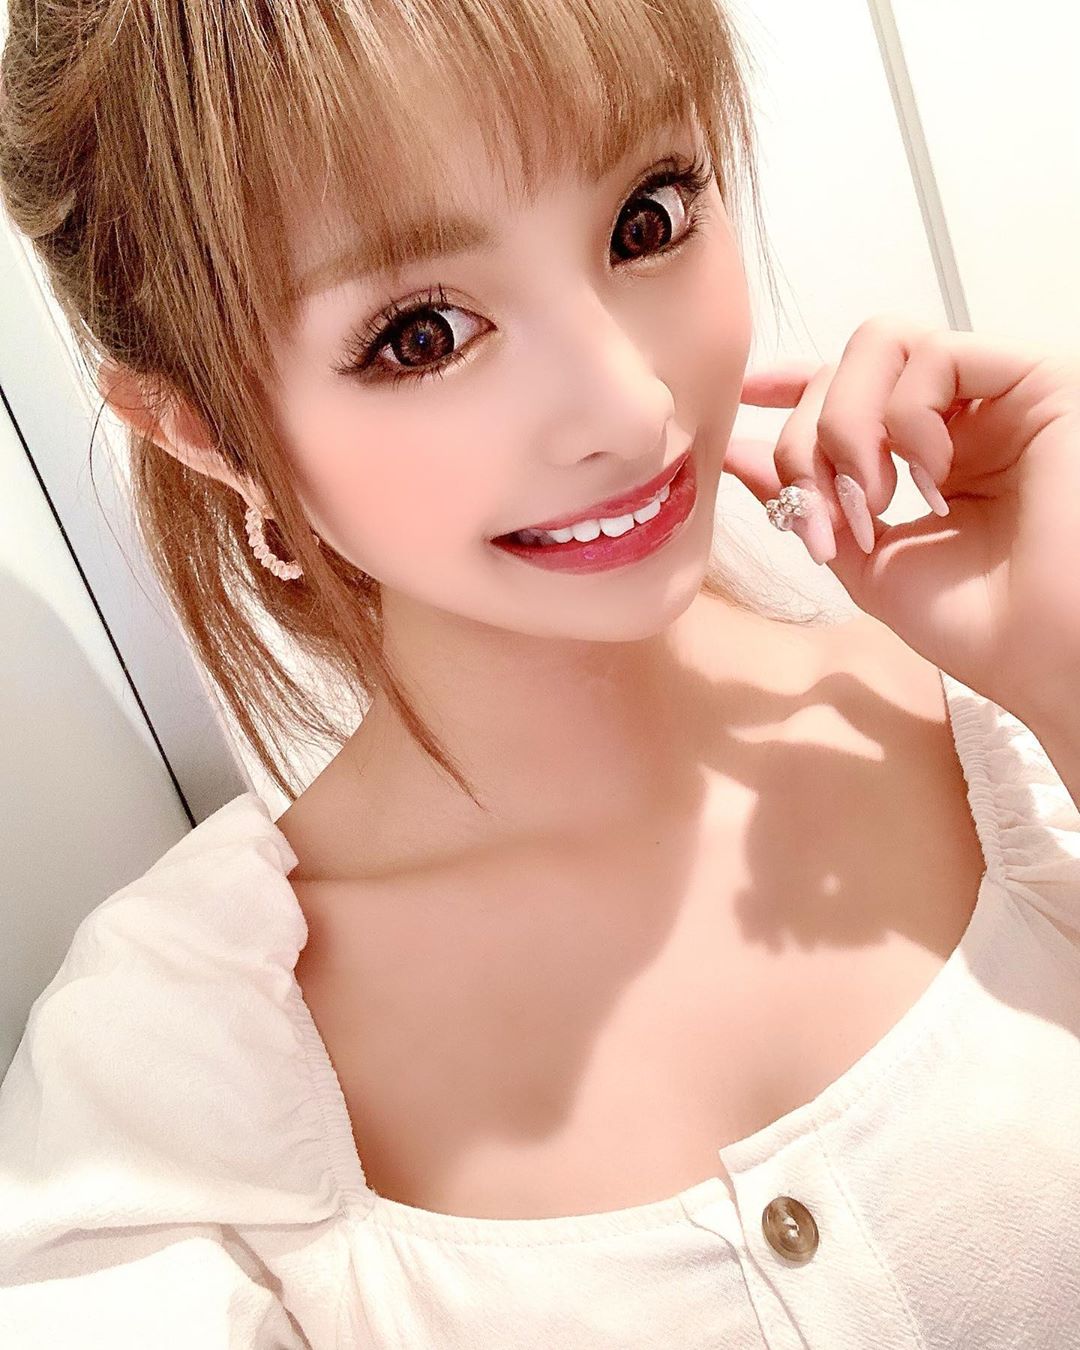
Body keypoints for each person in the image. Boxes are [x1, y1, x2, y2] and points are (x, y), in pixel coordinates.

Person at [1, 2, 1078, 1346]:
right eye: (423, 333)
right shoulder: (171, 1094)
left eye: (647, 218)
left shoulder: (1012, 732)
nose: (635, 406)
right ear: (206, 433)